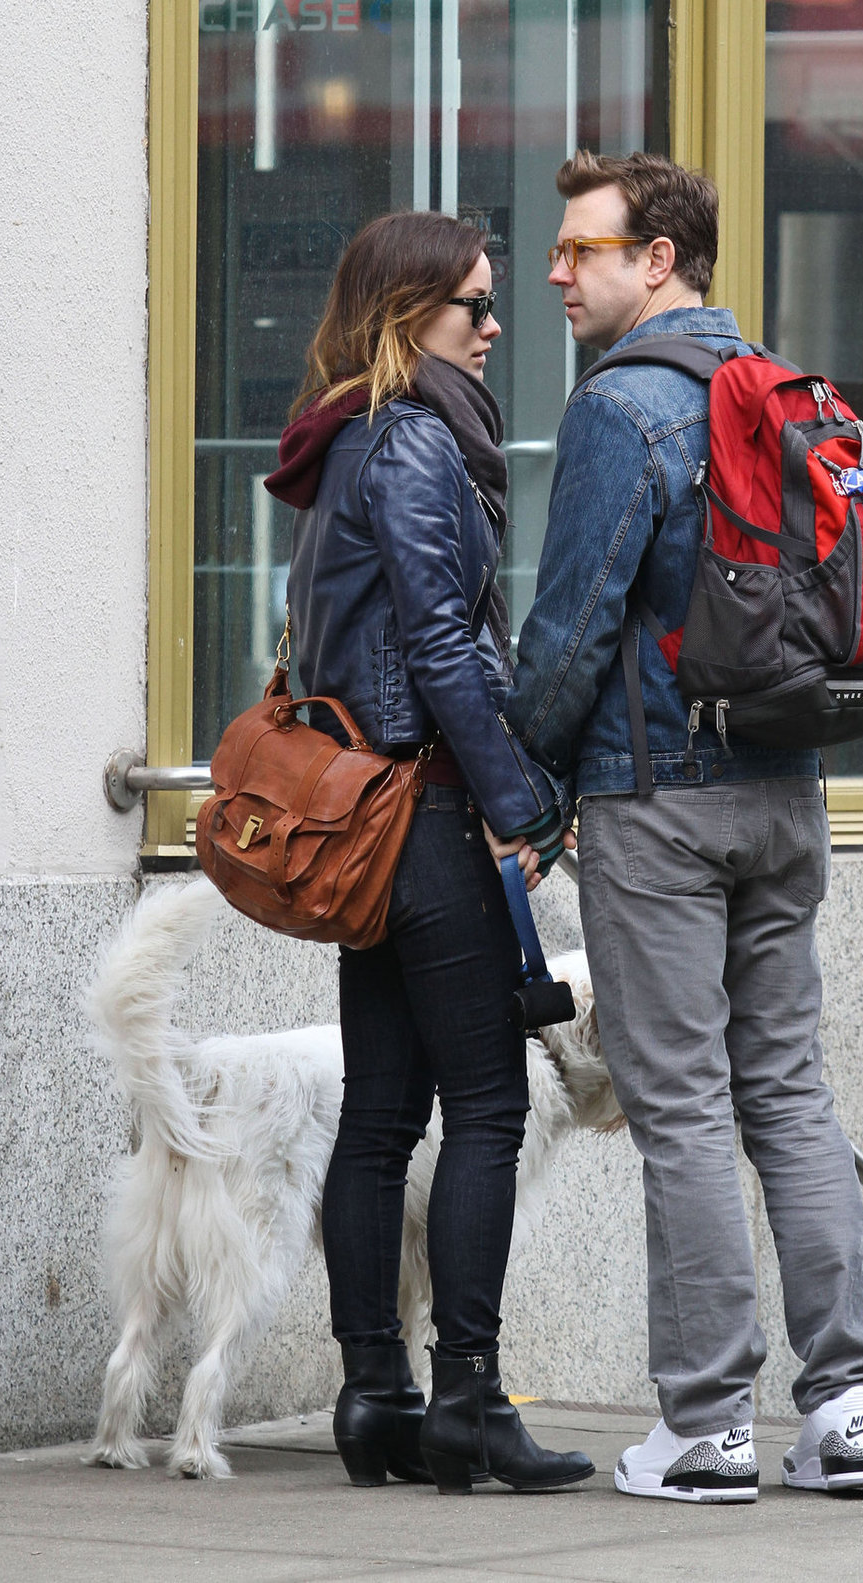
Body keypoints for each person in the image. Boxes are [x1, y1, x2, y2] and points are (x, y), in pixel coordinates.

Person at [498, 151, 863, 1503]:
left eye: (581, 249)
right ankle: (847, 1402)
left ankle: (708, 1420)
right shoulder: (782, 388)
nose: (558, 271)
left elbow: (569, 628)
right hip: (788, 792)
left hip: (659, 797)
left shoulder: (627, 407)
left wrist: (523, 782)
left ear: (657, 257)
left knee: (681, 1103)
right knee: (789, 1089)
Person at [264, 210, 592, 1497]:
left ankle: (373, 1395)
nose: (496, 324)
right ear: (410, 318)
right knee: (490, 1107)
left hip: (371, 826)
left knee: (384, 1115)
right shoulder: (410, 442)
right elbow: (448, 648)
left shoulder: (345, 441)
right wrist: (515, 801)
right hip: (431, 813)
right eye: (474, 305)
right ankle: (463, 1397)